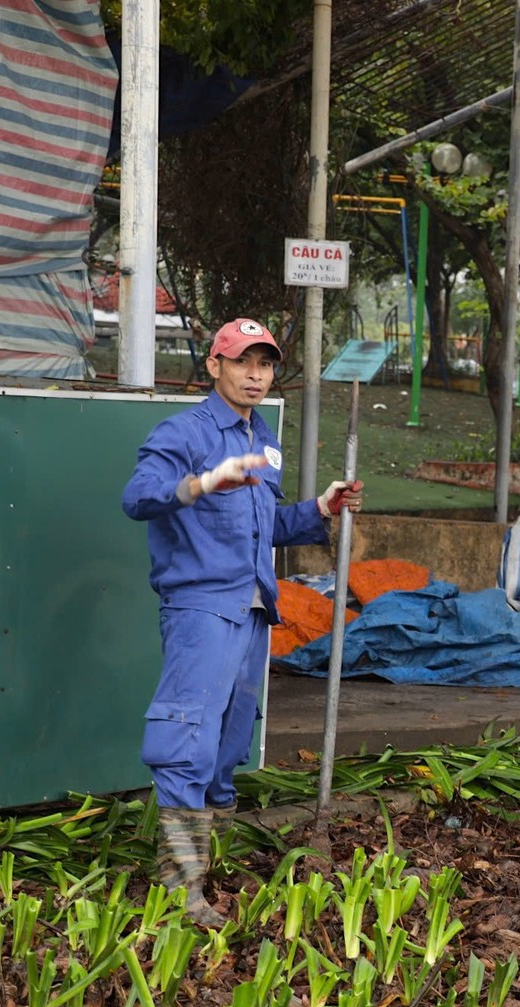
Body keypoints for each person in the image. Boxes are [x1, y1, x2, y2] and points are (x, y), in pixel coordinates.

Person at [122, 318, 363, 926]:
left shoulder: (261, 438)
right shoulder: (184, 433)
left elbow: (265, 526)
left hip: (254, 608)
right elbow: (138, 497)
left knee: (230, 740)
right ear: (214, 366)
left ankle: (212, 864)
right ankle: (182, 890)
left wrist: (318, 509)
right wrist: (201, 483)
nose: (255, 374)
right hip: (202, 607)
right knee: (187, 740)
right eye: (242, 362)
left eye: (265, 364)